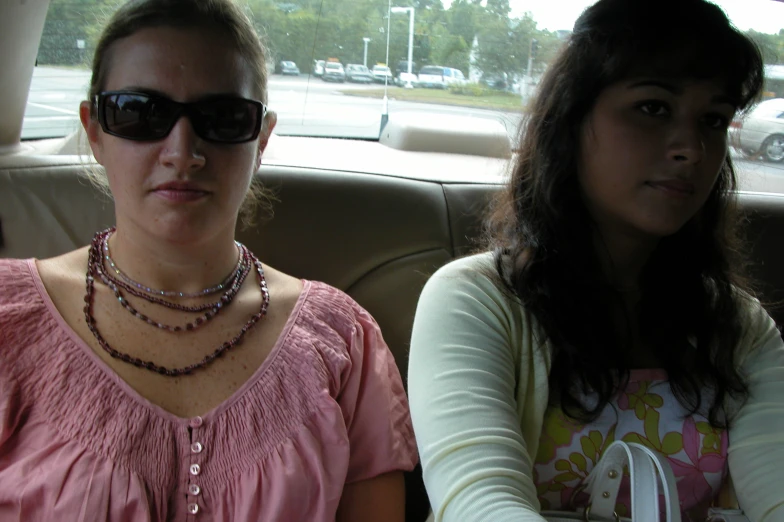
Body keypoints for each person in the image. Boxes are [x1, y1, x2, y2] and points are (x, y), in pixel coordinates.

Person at [0, 1, 417, 520]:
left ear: (261, 139)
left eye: (222, 118)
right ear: (94, 131)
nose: (182, 151)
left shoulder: (343, 345)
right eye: (139, 113)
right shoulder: (7, 321)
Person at [408, 0, 784, 520]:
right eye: (653, 107)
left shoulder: (741, 327)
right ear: (570, 121)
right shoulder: (475, 301)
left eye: (713, 120)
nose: (692, 149)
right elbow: (479, 502)